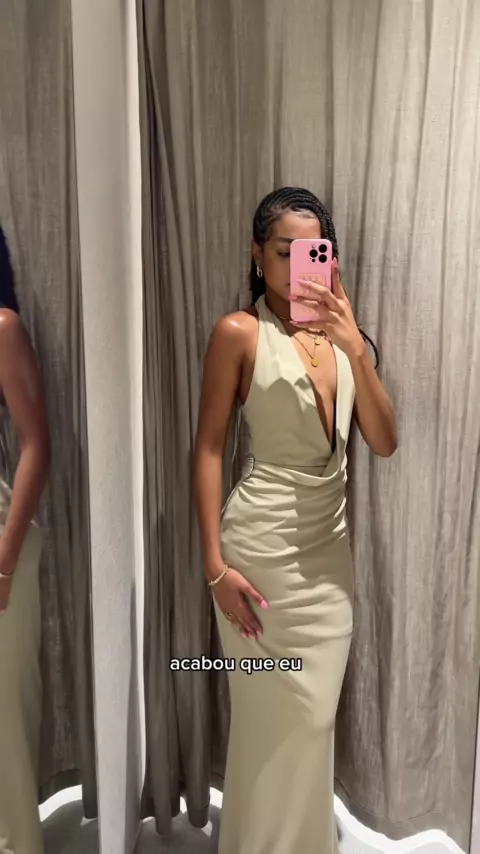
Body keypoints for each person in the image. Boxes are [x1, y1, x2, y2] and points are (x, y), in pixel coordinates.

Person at [194, 187, 397, 854]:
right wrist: (214, 567)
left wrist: (355, 346)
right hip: (260, 557)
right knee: (266, 730)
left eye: (314, 253)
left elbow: (384, 441)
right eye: (284, 252)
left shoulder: (343, 337)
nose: (298, 266)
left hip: (328, 562)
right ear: (257, 254)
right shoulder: (238, 333)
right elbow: (209, 450)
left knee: (314, 726)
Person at [0, 225, 50, 854]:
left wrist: (6, 557)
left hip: (0, 539)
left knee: (4, 717)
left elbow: (37, 442)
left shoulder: (2, 328)